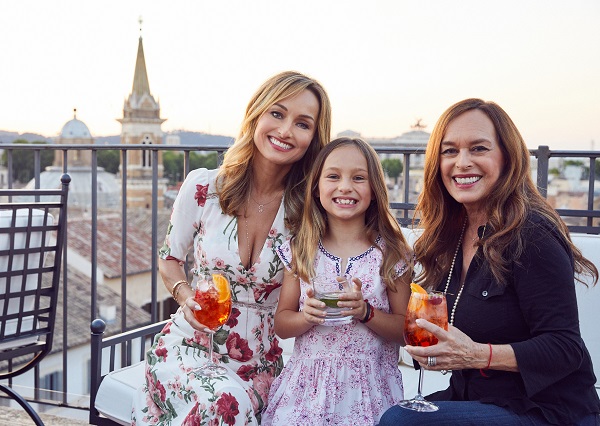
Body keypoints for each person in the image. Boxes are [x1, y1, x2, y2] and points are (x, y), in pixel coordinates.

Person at [379, 98, 600, 425]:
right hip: (475, 399)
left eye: (479, 148)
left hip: (543, 410)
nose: (462, 162)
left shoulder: (532, 235)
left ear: (507, 158)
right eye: (450, 151)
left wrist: (476, 354)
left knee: (401, 421)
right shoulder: (452, 235)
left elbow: (565, 348)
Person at [131, 71, 332, 425]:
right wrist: (184, 295)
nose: (285, 130)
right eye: (277, 113)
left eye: (303, 124)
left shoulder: (309, 211)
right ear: (256, 114)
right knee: (225, 405)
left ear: (314, 137)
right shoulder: (203, 187)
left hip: (261, 362)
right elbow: (170, 260)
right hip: (191, 347)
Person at [261, 137, 413, 425]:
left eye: (358, 178)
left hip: (369, 393)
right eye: (333, 176)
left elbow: (406, 331)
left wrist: (366, 312)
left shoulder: (392, 254)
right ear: (317, 188)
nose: (345, 187)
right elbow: (281, 324)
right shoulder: (300, 251)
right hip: (307, 392)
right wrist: (307, 317)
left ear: (374, 191)